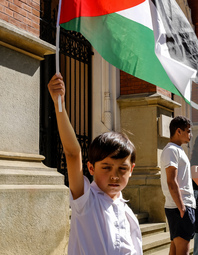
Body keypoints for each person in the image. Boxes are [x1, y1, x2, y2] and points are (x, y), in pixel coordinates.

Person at [48, 73, 142, 255]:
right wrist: (59, 103)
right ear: (91, 168)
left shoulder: (129, 214)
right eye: (106, 167)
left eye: (122, 168)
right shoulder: (85, 200)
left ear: (131, 169)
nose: (114, 175)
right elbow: (73, 153)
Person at [160, 116, 196, 255]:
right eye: (188, 131)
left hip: (180, 206)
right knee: (182, 251)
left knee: (175, 250)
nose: (190, 135)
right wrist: (182, 207)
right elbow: (171, 181)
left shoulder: (177, 150)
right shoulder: (171, 150)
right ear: (179, 131)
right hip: (180, 206)